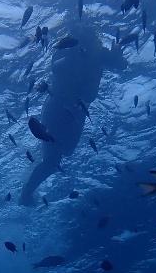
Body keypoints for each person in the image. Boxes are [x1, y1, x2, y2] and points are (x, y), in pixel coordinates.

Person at [20, 23, 127, 205]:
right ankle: (26, 194)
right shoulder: (67, 48)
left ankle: (27, 190)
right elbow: (55, 68)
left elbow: (121, 65)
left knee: (66, 152)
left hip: (78, 112)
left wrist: (117, 55)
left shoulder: (98, 52)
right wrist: (74, 56)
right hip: (57, 107)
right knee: (53, 160)